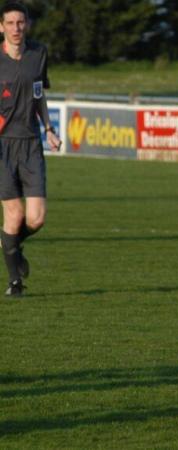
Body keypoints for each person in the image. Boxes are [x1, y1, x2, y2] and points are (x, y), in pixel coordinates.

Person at [0, 1, 61, 297]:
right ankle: (15, 283)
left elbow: (39, 96)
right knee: (13, 215)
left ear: (27, 25)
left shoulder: (39, 53)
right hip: (2, 147)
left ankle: (10, 244)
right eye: (10, 23)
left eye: (20, 23)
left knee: (36, 218)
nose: (16, 28)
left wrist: (49, 128)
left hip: (32, 144)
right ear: (1, 27)